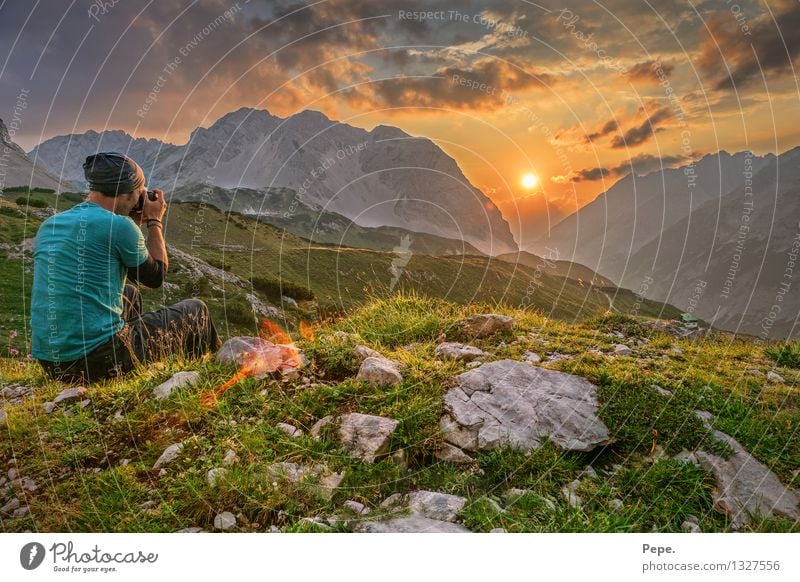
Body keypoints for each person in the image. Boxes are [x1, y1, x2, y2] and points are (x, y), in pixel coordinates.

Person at [30, 152, 220, 384]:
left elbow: (125, 269)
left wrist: (129, 226)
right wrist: (154, 222)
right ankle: (201, 378)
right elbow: (156, 276)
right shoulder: (119, 226)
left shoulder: (51, 224)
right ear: (129, 193)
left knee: (129, 294)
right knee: (196, 310)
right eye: (140, 192)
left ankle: (131, 372)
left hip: (52, 363)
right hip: (94, 362)